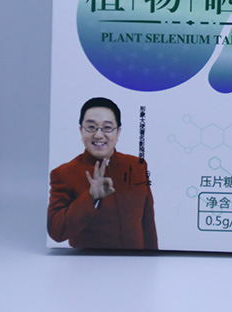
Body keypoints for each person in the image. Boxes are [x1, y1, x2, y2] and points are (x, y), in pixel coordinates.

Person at [47, 97, 158, 249]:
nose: (98, 135)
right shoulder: (63, 174)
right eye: (91, 127)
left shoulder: (137, 166)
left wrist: (152, 257)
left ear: (118, 132)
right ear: (81, 130)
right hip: (89, 262)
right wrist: (91, 197)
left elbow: (148, 224)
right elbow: (56, 231)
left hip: (136, 261)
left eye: (107, 127)